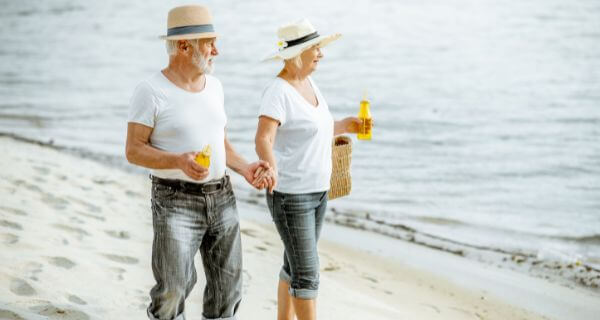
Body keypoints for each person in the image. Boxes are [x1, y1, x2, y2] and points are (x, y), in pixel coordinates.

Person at [125, 5, 273, 320]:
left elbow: (220, 142)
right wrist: (178, 160)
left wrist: (245, 167)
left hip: (222, 197)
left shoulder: (215, 87)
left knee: (228, 288)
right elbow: (134, 149)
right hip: (174, 199)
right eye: (209, 43)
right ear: (183, 46)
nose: (216, 50)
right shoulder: (150, 91)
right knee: (173, 288)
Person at [254, 18, 368, 320]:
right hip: (291, 195)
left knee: (294, 266)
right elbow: (264, 137)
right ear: (295, 55)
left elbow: (316, 129)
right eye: (314, 48)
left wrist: (346, 125)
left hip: (318, 192)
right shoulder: (278, 91)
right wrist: (271, 166)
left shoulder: (309, 83)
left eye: (319, 47)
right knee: (307, 274)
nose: (321, 54)